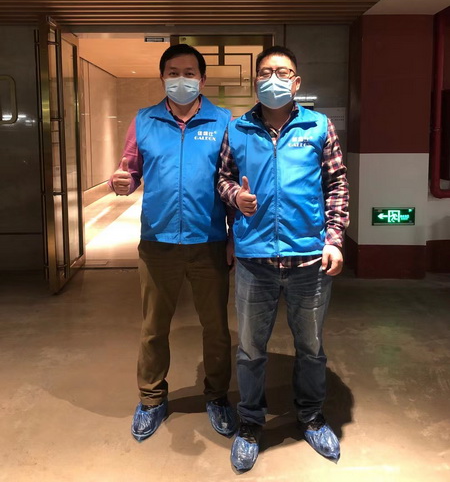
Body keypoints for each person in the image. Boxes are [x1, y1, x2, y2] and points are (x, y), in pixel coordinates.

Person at [217, 45, 349, 472]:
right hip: (255, 260)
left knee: (310, 347)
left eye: (283, 72)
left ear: (296, 82)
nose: (273, 79)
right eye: (266, 72)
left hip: (309, 259)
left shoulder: (318, 125)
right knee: (250, 350)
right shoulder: (238, 128)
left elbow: (336, 184)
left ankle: (311, 417)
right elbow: (222, 178)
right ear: (255, 80)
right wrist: (236, 196)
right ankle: (250, 424)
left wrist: (334, 239)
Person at [110, 44, 237, 442]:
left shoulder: (224, 121)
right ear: (163, 77)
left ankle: (217, 396)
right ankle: (151, 399)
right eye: (173, 72)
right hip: (157, 242)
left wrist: (233, 235)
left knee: (216, 328)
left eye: (189, 72)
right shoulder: (144, 120)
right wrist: (122, 182)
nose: (181, 79)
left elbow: (233, 180)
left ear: (202, 79)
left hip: (209, 241)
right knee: (153, 327)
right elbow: (130, 171)